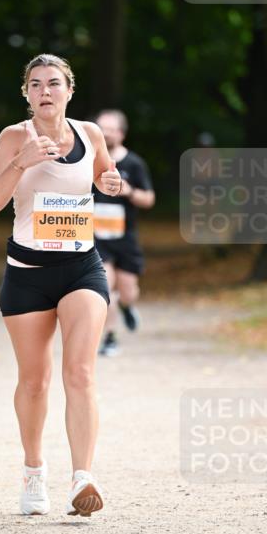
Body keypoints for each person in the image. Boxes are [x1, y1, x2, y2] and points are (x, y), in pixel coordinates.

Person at [0, 54, 122, 517]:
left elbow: (104, 176)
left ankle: (83, 476)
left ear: (69, 90)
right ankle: (33, 470)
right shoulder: (13, 138)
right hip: (27, 273)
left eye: (54, 83)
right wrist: (20, 163)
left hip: (82, 268)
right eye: (37, 84)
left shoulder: (90, 134)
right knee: (35, 382)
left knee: (80, 372)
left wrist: (111, 182)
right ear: (26, 93)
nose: (46, 91)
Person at [93, 111, 155, 356]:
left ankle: (127, 306)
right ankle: (110, 337)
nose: (105, 133)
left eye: (110, 129)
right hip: (96, 238)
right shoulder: (90, 160)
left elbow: (149, 199)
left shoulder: (134, 163)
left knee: (128, 291)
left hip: (125, 238)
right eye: (101, 128)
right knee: (104, 288)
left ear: (121, 133)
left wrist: (128, 191)